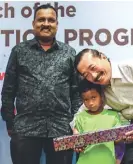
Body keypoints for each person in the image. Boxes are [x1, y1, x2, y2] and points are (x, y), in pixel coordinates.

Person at [1, 4, 82, 164]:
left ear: (57, 24)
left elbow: (76, 93)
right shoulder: (19, 51)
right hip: (26, 128)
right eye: (41, 20)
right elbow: (8, 90)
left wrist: (76, 123)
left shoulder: (69, 53)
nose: (46, 23)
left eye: (51, 20)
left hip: (61, 128)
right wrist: (11, 122)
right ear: (33, 24)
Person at [73, 79, 125, 164]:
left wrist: (124, 136)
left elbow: (119, 141)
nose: (90, 103)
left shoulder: (113, 116)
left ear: (101, 96)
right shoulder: (80, 117)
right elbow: (76, 139)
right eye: (86, 99)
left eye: (93, 97)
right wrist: (77, 144)